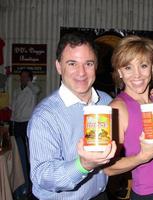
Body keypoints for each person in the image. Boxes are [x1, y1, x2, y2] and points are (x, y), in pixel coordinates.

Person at [27, 32, 117, 200]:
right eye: (72, 63)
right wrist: (83, 165)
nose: (81, 72)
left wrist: (151, 96)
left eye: (88, 63)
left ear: (96, 66)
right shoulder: (45, 115)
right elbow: (42, 175)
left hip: (100, 195)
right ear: (59, 66)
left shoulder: (107, 102)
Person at [104, 35, 153, 200]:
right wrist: (142, 157)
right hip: (150, 194)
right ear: (119, 71)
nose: (137, 75)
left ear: (152, 67)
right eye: (128, 67)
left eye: (143, 65)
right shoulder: (118, 108)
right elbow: (108, 167)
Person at [11, 68, 40, 196]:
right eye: (21, 76)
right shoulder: (16, 91)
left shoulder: (32, 89)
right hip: (16, 123)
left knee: (28, 154)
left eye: (25, 76)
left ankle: (30, 185)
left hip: (27, 123)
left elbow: (37, 90)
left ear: (29, 78)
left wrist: (29, 82)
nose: (23, 78)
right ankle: (20, 183)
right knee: (17, 154)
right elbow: (13, 107)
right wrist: (11, 122)